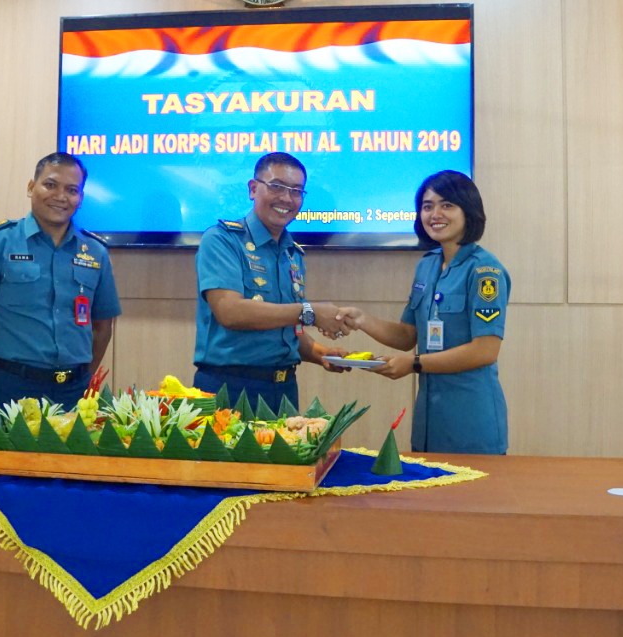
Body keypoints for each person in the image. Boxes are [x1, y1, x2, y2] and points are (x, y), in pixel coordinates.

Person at [336, 170, 510, 454]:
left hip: (471, 422)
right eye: (427, 206)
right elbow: (408, 335)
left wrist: (414, 364)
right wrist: (362, 320)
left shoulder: (484, 271)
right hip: (429, 421)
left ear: (468, 210)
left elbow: (485, 350)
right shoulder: (427, 265)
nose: (435, 214)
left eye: (447, 205)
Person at [0, 152, 119, 416]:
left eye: (72, 190)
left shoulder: (96, 252)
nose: (61, 196)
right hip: (11, 389)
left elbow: (103, 325)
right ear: (31, 187)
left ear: (81, 198)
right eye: (50, 185)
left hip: (75, 393)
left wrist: (85, 377)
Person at [193, 152, 347, 411]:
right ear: (253, 189)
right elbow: (230, 312)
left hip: (284, 389)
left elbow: (288, 330)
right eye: (277, 186)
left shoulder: (292, 254)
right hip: (228, 388)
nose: (286, 198)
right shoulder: (222, 240)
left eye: (296, 191)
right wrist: (310, 312)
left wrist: (321, 353)